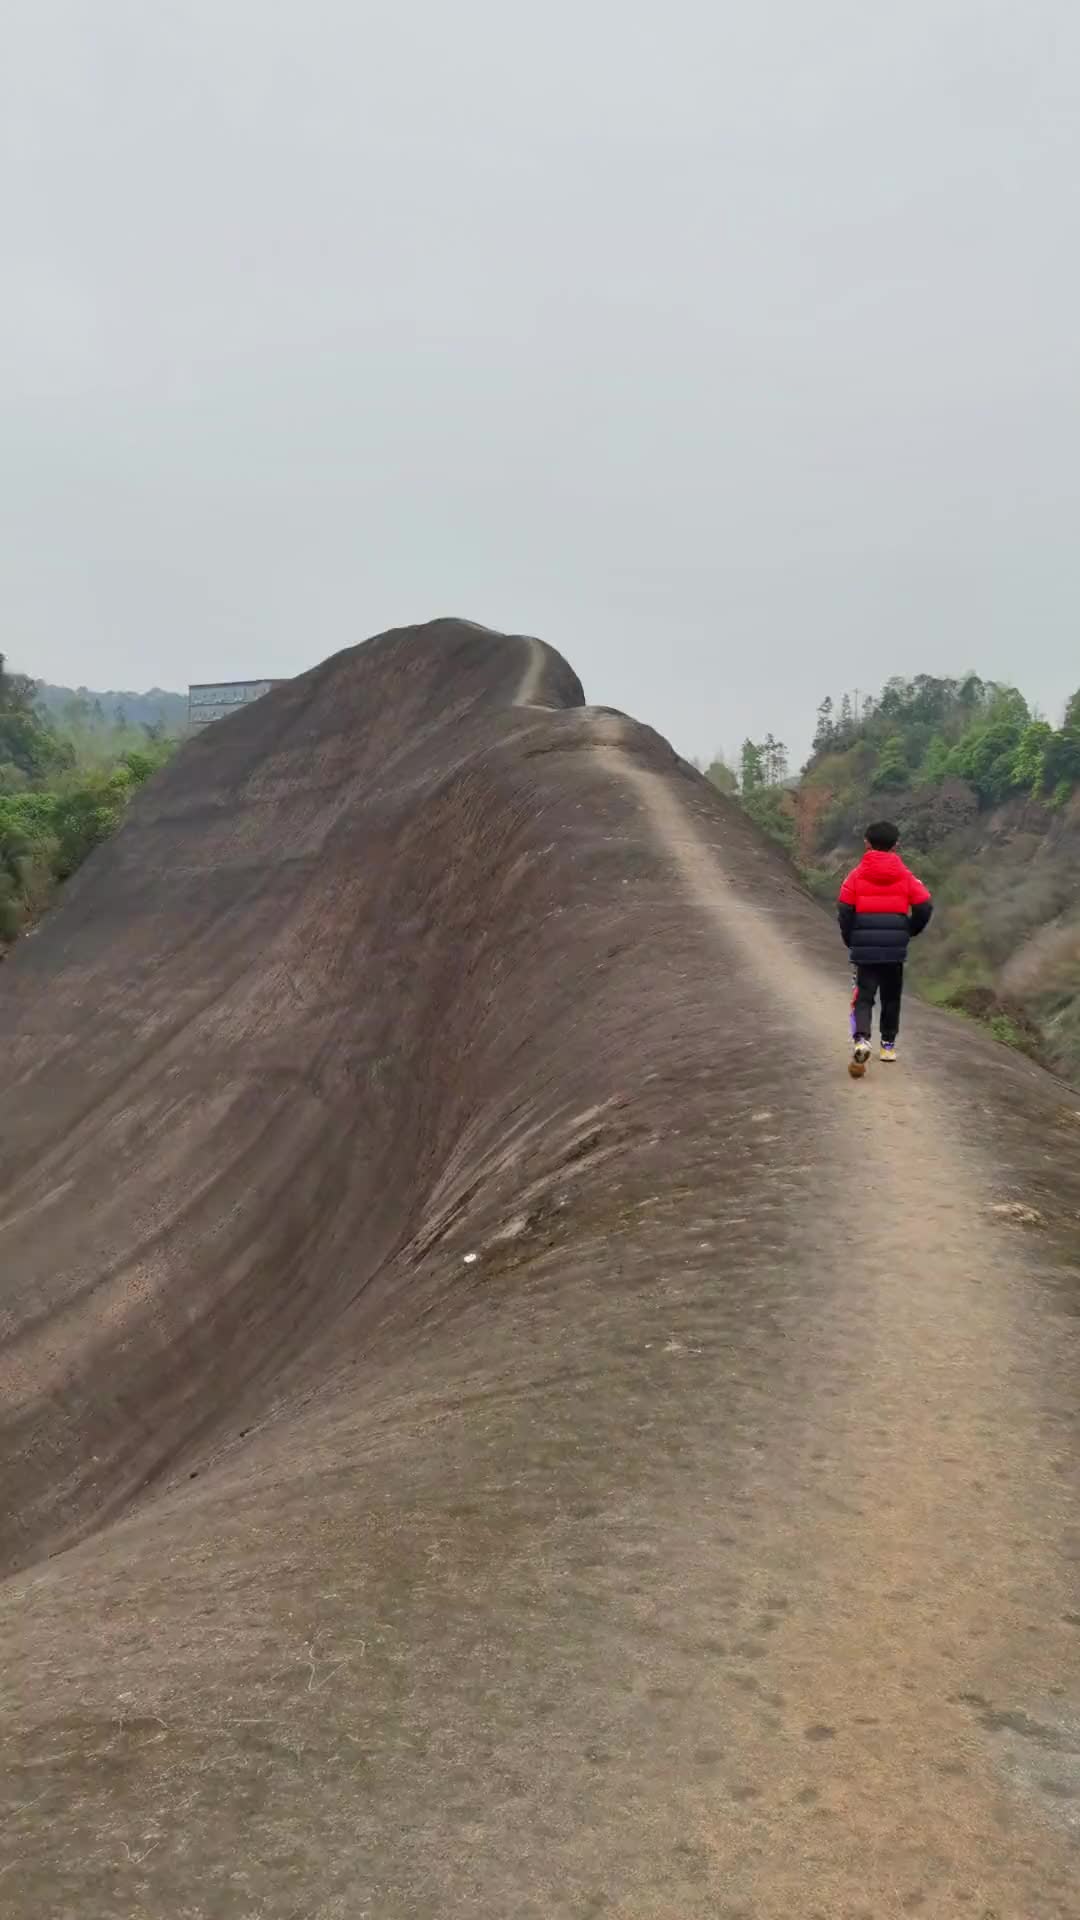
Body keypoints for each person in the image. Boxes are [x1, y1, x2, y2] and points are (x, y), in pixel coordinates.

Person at [837, 821, 932, 1067]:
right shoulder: (906, 876)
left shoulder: (855, 875)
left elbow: (845, 910)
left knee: (864, 996)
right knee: (891, 997)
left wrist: (851, 939)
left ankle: (861, 1040)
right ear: (896, 845)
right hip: (894, 949)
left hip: (865, 948)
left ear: (867, 843)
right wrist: (908, 930)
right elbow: (924, 905)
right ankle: (888, 1047)